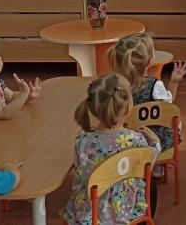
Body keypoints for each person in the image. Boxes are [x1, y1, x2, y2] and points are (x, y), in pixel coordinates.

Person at [63, 73, 162, 224]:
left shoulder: (82, 138)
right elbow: (148, 164)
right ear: (129, 107)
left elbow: (79, 168)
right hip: (122, 211)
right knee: (151, 186)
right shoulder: (135, 140)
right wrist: (155, 143)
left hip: (89, 211)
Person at [109, 32, 186, 156]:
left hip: (127, 141)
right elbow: (168, 106)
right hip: (157, 140)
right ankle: (157, 158)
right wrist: (174, 82)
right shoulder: (155, 85)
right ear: (149, 61)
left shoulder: (114, 85)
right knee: (176, 120)